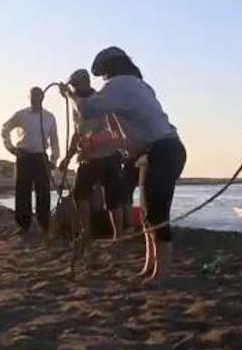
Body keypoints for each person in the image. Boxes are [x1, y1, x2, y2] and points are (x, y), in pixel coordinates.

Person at [76, 46, 186, 284]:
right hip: (165, 149)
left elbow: (88, 109)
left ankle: (161, 273)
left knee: (156, 213)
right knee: (147, 213)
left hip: (162, 151)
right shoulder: (141, 86)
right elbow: (124, 134)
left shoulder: (118, 86)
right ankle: (150, 266)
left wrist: (78, 91)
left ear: (108, 70)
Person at [58, 69, 129, 240]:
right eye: (72, 86)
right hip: (88, 157)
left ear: (85, 83)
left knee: (112, 197)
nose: (73, 88)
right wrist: (68, 157)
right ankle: (86, 232)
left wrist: (69, 95)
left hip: (108, 155)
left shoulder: (98, 101)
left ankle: (117, 235)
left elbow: (110, 128)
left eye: (75, 85)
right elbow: (77, 133)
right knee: (80, 194)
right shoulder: (77, 102)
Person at [1, 87, 60, 233]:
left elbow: (54, 140)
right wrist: (11, 148)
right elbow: (5, 128)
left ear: (43, 97)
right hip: (24, 156)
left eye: (38, 96)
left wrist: (54, 159)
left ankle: (44, 223)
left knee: (43, 191)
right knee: (22, 191)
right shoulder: (21, 115)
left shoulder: (49, 117)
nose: (35, 98)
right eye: (33, 96)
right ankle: (23, 225)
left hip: (41, 156)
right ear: (29, 97)